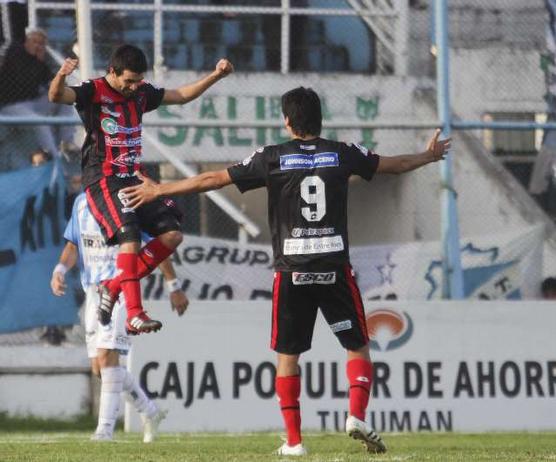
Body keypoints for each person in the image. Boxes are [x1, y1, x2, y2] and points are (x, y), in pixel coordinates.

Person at [121, 87, 452, 456]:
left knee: (288, 357)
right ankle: (356, 415)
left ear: (288, 122)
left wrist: (160, 189)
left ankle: (294, 442)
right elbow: (395, 165)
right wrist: (429, 155)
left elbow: (212, 179)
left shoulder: (272, 157)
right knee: (357, 346)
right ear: (319, 119)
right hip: (334, 268)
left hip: (292, 269)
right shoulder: (342, 153)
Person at [48, 44, 233, 334]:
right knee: (130, 237)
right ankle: (134, 312)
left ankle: (113, 286)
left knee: (172, 236)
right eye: (129, 81)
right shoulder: (92, 91)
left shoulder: (142, 92)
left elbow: (182, 96)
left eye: (138, 80)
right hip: (104, 179)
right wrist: (61, 75)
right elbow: (57, 95)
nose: (134, 87)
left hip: (134, 177)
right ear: (113, 72)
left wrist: (216, 76)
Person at [51, 192, 189, 441]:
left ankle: (104, 432)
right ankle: (151, 411)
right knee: (99, 368)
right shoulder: (81, 202)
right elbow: (73, 244)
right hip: (92, 290)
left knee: (107, 357)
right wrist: (59, 270)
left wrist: (174, 286)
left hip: (121, 287)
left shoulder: (126, 201)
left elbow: (154, 246)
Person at [0, 28, 77, 159]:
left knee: (64, 98)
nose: (38, 46)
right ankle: (53, 156)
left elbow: (54, 84)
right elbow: (20, 75)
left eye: (41, 44)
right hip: (11, 106)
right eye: (34, 42)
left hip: (33, 104)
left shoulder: (40, 63)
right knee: (40, 122)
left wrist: (40, 61)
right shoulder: (14, 54)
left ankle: (67, 143)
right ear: (26, 42)